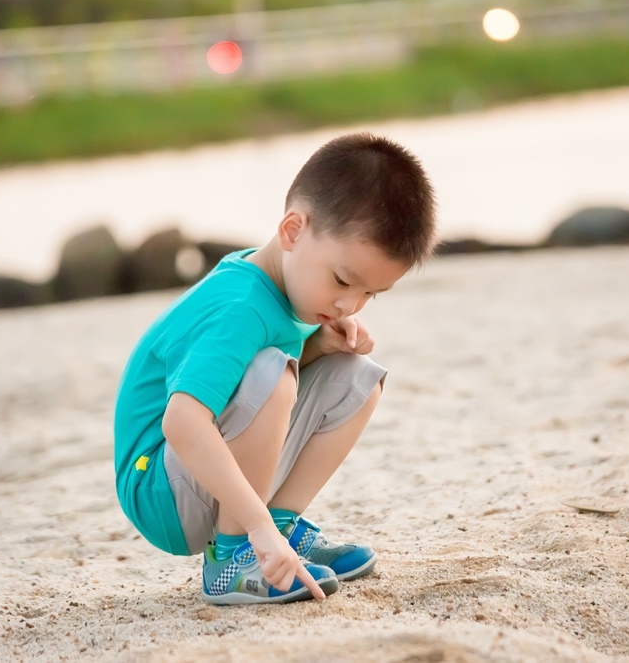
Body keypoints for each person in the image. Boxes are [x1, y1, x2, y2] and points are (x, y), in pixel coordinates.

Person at [113, 132, 437, 605]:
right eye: (343, 280)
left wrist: (318, 347)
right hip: (160, 486)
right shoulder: (241, 305)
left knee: (356, 376)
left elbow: (241, 394)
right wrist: (256, 528)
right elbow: (183, 421)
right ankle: (234, 555)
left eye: (370, 293)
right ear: (292, 231)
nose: (351, 303)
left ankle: (282, 525)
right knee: (273, 371)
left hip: (201, 473)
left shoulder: (287, 291)